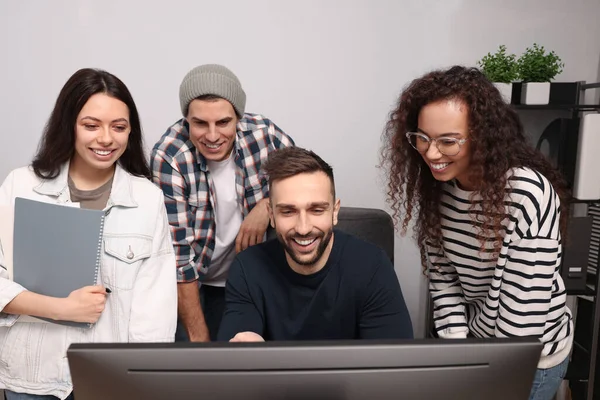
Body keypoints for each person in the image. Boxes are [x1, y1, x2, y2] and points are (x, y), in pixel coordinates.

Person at [380, 65, 573, 400]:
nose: (431, 153)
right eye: (422, 138)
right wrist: (459, 356)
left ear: (483, 138)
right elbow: (443, 278)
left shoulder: (527, 193)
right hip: (478, 349)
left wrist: (485, 376)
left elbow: (520, 325)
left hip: (531, 357)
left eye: (448, 141)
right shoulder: (437, 189)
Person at [0, 68, 177, 399]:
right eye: (91, 125)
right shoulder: (21, 186)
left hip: (109, 383)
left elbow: (154, 314)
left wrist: (143, 382)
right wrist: (60, 308)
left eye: (119, 127)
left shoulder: (147, 199)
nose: (106, 138)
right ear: (69, 125)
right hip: (30, 380)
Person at [151, 64, 295, 342]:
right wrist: (199, 338)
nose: (213, 136)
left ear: (238, 118)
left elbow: (306, 187)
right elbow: (179, 260)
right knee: (196, 365)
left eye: (223, 122)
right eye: (200, 123)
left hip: (253, 275)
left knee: (247, 367)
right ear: (186, 120)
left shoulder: (265, 136)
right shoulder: (169, 157)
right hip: (194, 281)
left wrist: (267, 205)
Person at [217, 147, 413, 342]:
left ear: (335, 211)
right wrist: (244, 346)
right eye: (288, 212)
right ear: (271, 215)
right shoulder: (247, 268)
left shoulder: (372, 267)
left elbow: (392, 362)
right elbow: (236, 350)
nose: (303, 228)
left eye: (317, 210)